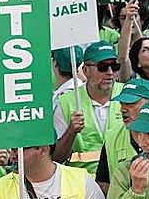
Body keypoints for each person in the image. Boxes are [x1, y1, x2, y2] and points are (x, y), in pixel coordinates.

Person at [53, 42, 124, 174]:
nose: (109, 72)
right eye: (102, 67)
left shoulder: (128, 95)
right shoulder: (65, 102)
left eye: (114, 66)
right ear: (86, 70)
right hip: (83, 184)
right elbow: (57, 158)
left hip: (124, 181)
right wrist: (71, 132)